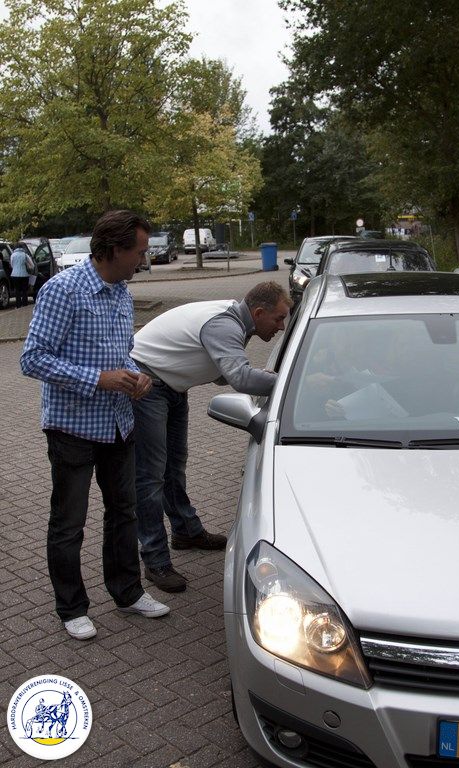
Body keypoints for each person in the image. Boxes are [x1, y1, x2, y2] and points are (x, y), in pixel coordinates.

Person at [20, 210, 170, 641]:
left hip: (118, 424)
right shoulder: (62, 290)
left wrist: (135, 375)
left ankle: (127, 593)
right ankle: (71, 607)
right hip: (73, 428)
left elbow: (121, 353)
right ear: (115, 249)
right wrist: (98, 379)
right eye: (139, 251)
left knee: (124, 513)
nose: (143, 260)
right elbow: (32, 359)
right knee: (69, 523)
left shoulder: (122, 292)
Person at [131, 281, 292, 592]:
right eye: (279, 318)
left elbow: (222, 374)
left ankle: (186, 531)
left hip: (171, 385)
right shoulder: (225, 325)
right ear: (259, 313)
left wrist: (262, 376)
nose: (281, 327)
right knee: (151, 476)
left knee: (173, 466)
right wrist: (292, 381)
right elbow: (239, 378)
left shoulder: (236, 322)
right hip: (148, 384)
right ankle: (155, 560)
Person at [10, 242, 34, 308]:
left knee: (17, 290)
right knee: (24, 290)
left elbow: (12, 264)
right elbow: (32, 265)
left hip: (14, 275)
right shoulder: (25, 255)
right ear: (22, 248)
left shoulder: (13, 255)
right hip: (24, 275)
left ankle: (18, 305)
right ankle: (25, 305)